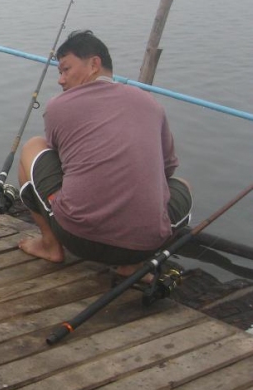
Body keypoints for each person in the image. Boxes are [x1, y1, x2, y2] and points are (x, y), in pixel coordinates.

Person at [17, 30, 192, 276]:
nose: (61, 80)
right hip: (145, 246)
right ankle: (131, 267)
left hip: (78, 238)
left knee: (33, 145)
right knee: (182, 184)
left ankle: (50, 245)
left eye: (66, 70)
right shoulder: (151, 104)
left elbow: (62, 160)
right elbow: (167, 169)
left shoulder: (59, 105)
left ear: (94, 64)